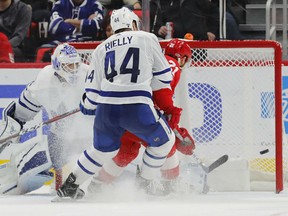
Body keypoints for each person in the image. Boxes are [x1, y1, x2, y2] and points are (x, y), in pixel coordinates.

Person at [57, 7, 176, 200]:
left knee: (102, 150)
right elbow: (164, 77)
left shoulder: (100, 48)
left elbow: (90, 101)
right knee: (165, 141)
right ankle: (145, 183)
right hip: (137, 105)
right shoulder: (147, 38)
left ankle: (70, 186)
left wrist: (86, 105)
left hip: (106, 108)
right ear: (134, 24)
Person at [86, 38, 195, 194]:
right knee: (167, 143)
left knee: (125, 153)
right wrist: (175, 130)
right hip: (141, 116)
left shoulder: (152, 59)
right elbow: (159, 97)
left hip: (121, 113)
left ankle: (97, 185)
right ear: (182, 58)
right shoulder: (173, 66)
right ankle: (171, 184)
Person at [0, 43, 92, 195]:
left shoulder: (89, 75)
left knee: (78, 189)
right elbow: (18, 114)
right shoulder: (44, 80)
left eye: (76, 64)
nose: (74, 69)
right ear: (57, 65)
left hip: (88, 141)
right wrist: (6, 134)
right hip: (58, 140)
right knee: (24, 175)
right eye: (69, 65)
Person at [150, 0, 243, 41]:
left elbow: (213, 12)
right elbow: (153, 19)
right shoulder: (159, 2)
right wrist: (159, 28)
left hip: (198, 44)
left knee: (229, 21)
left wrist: (211, 31)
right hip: (173, 46)